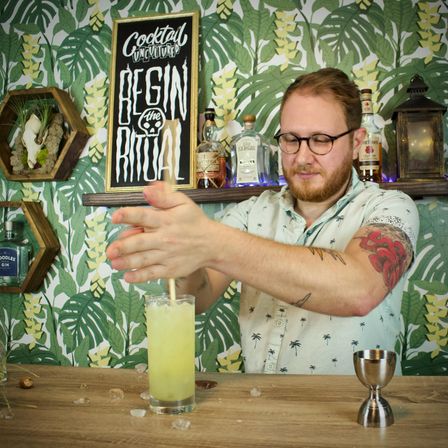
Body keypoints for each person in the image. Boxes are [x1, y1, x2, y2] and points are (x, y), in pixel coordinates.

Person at [106, 68, 419, 375]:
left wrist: (211, 242)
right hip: (260, 411)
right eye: (291, 139)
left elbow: (360, 290)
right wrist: (182, 250)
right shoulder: (250, 213)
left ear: (356, 142)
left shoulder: (389, 208)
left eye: (321, 140)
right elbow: (199, 296)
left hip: (357, 414)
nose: (302, 157)